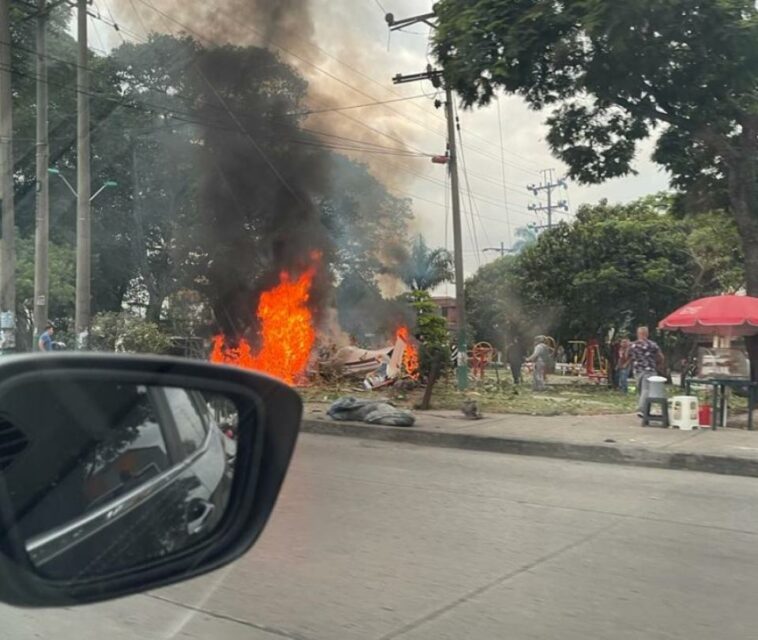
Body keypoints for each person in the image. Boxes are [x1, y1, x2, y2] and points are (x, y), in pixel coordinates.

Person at [628, 326, 664, 416]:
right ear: (647, 334)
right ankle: (642, 409)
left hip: (637, 370)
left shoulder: (633, 345)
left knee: (641, 390)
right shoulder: (652, 345)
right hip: (649, 369)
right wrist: (658, 365)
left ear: (638, 334)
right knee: (646, 389)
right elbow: (661, 357)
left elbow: (627, 356)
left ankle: (643, 408)